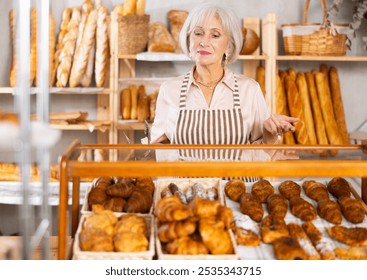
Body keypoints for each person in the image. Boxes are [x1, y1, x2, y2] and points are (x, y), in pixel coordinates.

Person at [151, 3, 298, 148]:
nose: (204, 42)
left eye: (215, 35)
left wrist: (269, 133)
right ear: (189, 40)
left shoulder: (249, 89)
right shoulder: (169, 90)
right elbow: (158, 149)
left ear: (228, 45)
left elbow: (261, 155)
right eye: (198, 33)